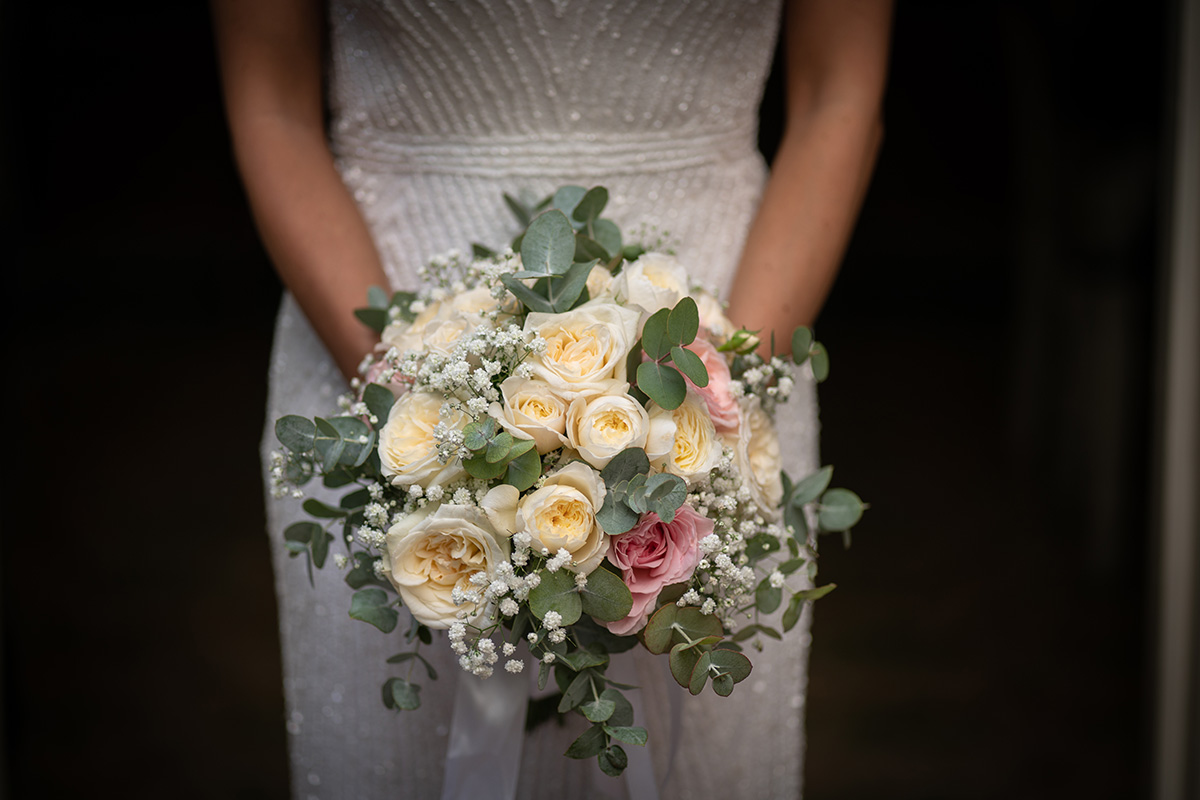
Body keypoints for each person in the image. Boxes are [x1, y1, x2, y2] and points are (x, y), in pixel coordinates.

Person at [213, 1, 891, 797]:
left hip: (728, 327)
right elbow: (272, 105)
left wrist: (713, 401)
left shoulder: (715, 396)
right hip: (372, 332)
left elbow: (837, 93)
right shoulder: (398, 396)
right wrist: (426, 416)